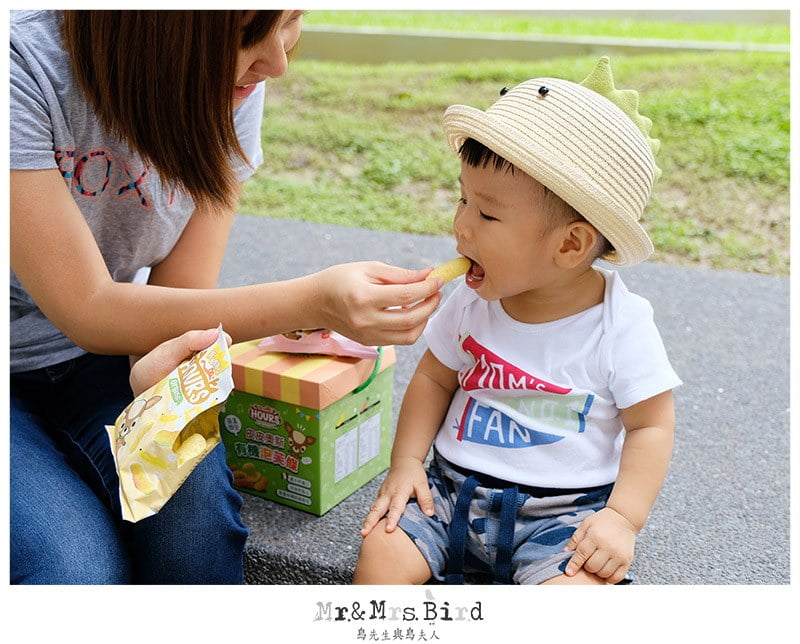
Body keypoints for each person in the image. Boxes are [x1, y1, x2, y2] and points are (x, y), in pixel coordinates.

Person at [9, 10, 444, 585]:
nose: (279, 63)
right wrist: (315, 301)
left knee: (194, 535)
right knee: (74, 572)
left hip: (106, 359)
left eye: (290, 19)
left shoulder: (232, 83)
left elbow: (180, 296)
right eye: (245, 38)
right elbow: (88, 306)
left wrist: (154, 375)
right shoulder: (21, 71)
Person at [354, 57, 682, 585]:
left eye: (486, 214)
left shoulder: (620, 325)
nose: (460, 226)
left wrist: (622, 518)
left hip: (563, 515)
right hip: (447, 489)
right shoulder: (470, 299)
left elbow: (652, 425)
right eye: (463, 199)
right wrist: (407, 464)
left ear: (570, 244)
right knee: (382, 557)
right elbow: (435, 378)